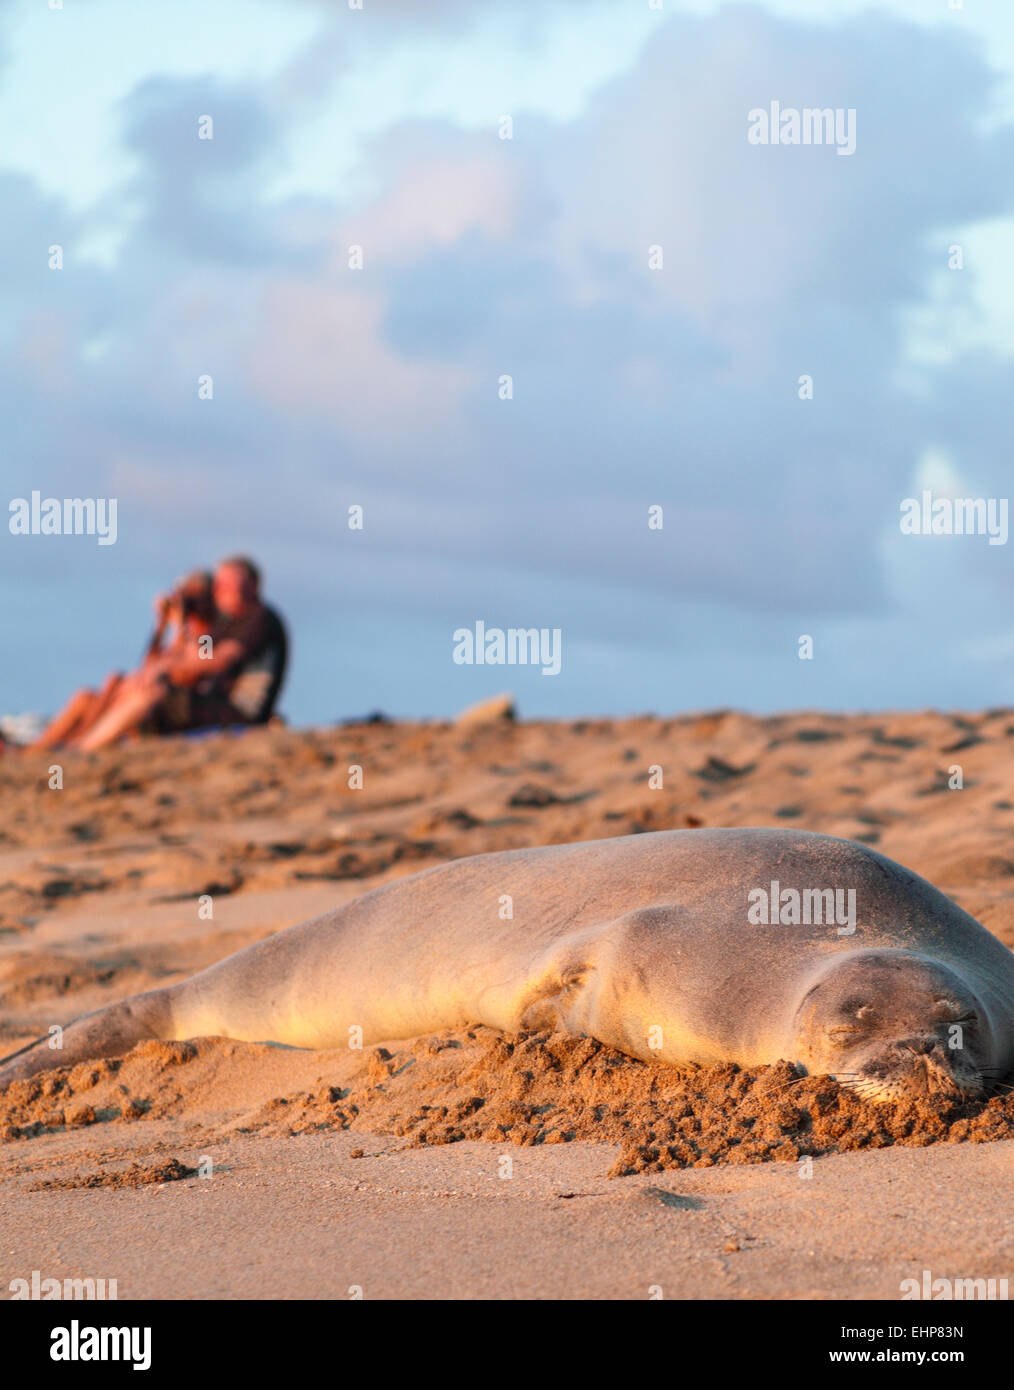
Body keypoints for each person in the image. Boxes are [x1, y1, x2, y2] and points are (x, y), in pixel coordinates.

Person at [75, 556, 287, 751]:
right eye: (219, 584)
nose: (221, 589)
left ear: (252, 585)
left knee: (153, 693)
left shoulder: (259, 619)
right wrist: (174, 624)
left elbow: (218, 662)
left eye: (229, 583)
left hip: (240, 714)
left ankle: (85, 748)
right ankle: (67, 745)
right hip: (215, 704)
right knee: (129, 685)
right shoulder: (225, 624)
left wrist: (166, 666)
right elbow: (195, 657)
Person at [30, 570, 216, 751]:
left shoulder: (208, 635)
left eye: (193, 596)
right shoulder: (184, 632)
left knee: (117, 681)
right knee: (86, 696)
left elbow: (185, 668)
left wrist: (181, 623)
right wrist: (161, 625)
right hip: (143, 692)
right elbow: (149, 664)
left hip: (167, 704)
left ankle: (79, 742)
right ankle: (36, 749)